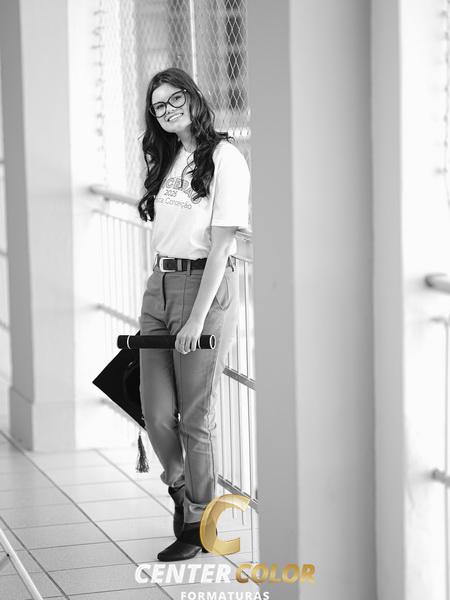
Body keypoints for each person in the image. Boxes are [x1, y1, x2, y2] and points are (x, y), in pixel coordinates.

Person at [137, 67, 251, 561]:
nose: (167, 111)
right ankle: (182, 488)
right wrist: (159, 292)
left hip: (203, 287)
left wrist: (197, 318)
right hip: (160, 285)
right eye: (158, 106)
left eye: (174, 99)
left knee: (196, 416)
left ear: (193, 96)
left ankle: (200, 523)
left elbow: (222, 244)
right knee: (155, 410)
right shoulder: (167, 155)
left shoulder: (225, 157)